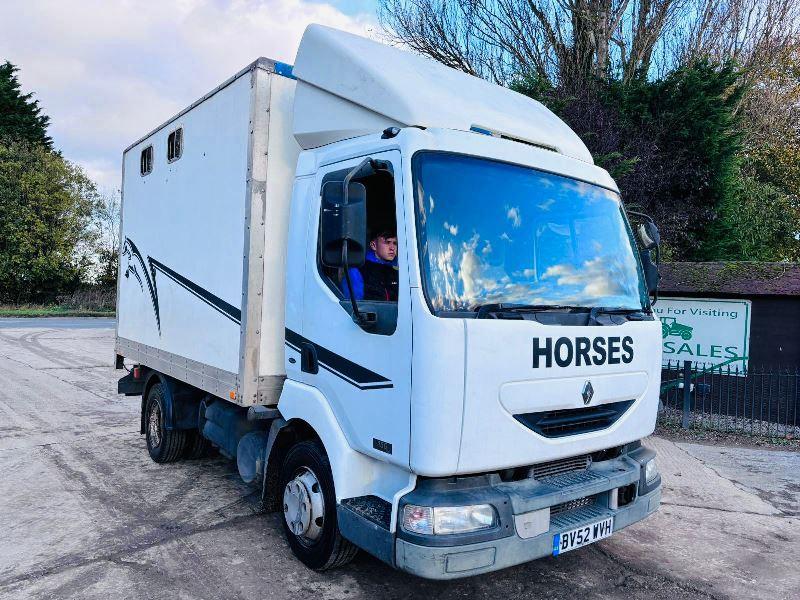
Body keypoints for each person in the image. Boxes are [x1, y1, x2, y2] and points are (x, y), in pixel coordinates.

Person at [342, 229, 398, 301]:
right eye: (387, 242)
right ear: (373, 245)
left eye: (395, 243)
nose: (392, 248)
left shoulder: (401, 269)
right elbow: (354, 305)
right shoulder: (357, 270)